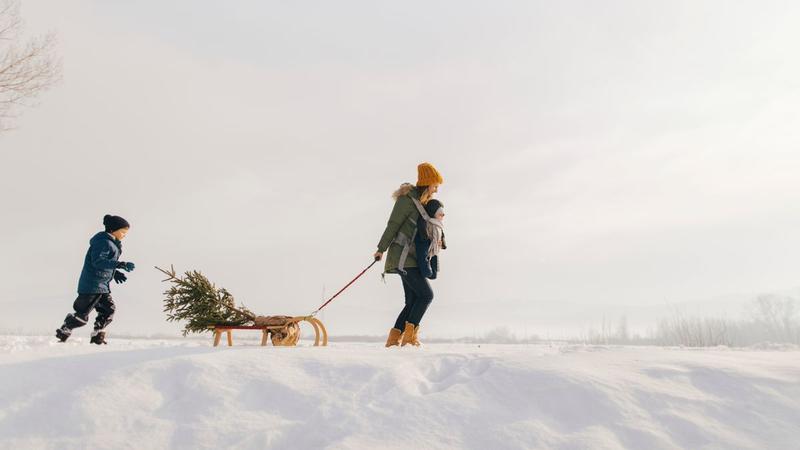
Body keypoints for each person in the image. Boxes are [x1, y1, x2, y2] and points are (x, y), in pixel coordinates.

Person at [374, 162, 444, 347]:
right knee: (426, 295)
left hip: (414, 259)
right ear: (427, 183)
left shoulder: (426, 204)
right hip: (403, 258)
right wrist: (381, 249)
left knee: (413, 300)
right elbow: (393, 225)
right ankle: (410, 338)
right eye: (435, 185)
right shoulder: (406, 201)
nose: (436, 190)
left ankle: (394, 339)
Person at [55, 215, 136, 344]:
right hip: (91, 285)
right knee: (82, 315)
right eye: (123, 232)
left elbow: (105, 263)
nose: (124, 235)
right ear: (113, 229)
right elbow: (98, 261)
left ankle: (98, 336)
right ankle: (65, 329)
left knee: (108, 310)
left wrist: (114, 273)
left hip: (102, 286)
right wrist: (119, 264)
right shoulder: (103, 242)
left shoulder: (112, 243)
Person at [414, 199, 446, 280]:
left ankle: (430, 271)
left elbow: (441, 234)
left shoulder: (439, 225)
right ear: (434, 213)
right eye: (440, 214)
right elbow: (421, 225)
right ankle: (424, 270)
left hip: (434, 250)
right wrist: (424, 235)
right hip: (427, 244)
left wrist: (443, 243)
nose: (443, 215)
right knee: (423, 256)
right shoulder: (428, 222)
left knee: (433, 275)